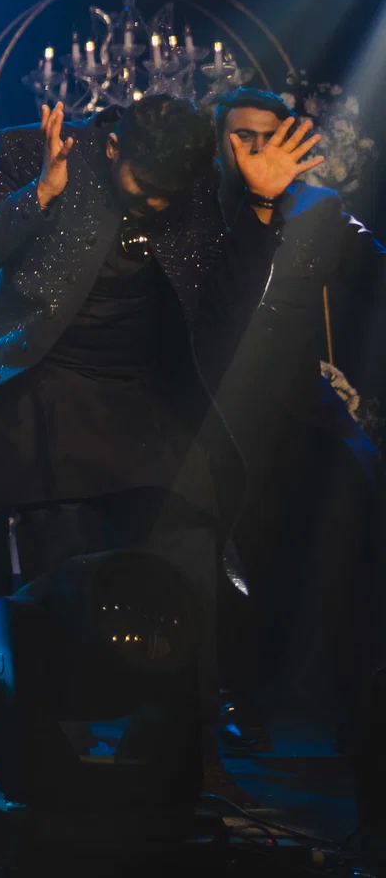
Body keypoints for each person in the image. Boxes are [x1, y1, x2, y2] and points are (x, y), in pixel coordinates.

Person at [0, 95, 317, 769]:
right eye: (144, 186)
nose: (157, 203)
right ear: (111, 149)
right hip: (39, 383)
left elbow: (225, 309)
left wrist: (258, 207)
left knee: (190, 557)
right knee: (60, 572)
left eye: (168, 193)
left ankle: (188, 758)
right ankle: (54, 757)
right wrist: (39, 195)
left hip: (144, 397)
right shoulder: (31, 150)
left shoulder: (190, 183)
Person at [206, 89, 382, 751]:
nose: (256, 147)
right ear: (219, 142)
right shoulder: (200, 209)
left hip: (300, 405)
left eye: (267, 134)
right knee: (230, 556)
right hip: (216, 409)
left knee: (355, 516)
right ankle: (234, 699)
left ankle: (357, 709)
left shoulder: (318, 207)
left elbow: (375, 271)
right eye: (241, 135)